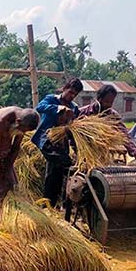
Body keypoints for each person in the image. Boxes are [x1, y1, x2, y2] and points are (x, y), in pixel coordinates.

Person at [32, 78, 83, 207]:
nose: (72, 96)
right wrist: (59, 108)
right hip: (47, 140)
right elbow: (39, 107)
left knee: (56, 172)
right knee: (63, 164)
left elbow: (74, 127)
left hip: (62, 144)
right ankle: (50, 203)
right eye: (70, 92)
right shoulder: (51, 99)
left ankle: (52, 204)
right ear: (64, 88)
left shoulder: (74, 108)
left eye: (75, 94)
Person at [0, 106, 39, 207]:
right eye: (22, 130)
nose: (23, 133)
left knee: (12, 185)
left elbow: (15, 147)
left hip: (5, 152)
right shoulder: (0, 122)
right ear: (18, 122)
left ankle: (10, 212)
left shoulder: (23, 121)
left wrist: (7, 169)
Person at [79, 84, 136, 165]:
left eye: (111, 102)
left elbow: (125, 136)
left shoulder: (113, 116)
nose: (108, 105)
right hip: (82, 153)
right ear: (99, 99)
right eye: (106, 101)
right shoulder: (84, 113)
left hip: (101, 155)